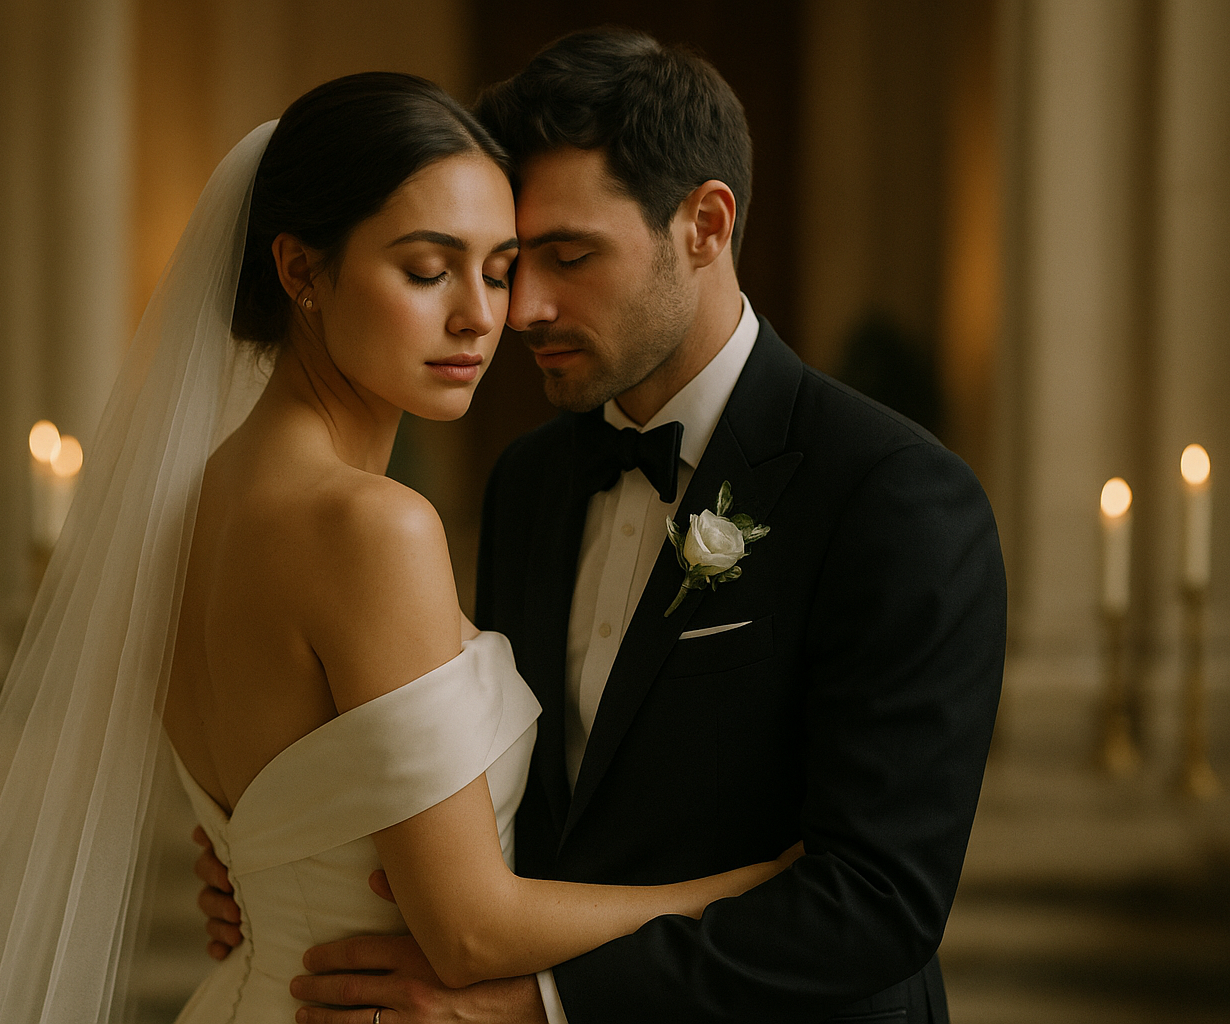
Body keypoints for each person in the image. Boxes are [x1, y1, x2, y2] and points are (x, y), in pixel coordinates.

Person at [0, 72, 796, 1024]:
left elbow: (283, 823)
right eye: (429, 270)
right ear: (302, 272)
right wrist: (753, 890)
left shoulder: (194, 506)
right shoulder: (372, 527)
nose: (483, 315)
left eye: (500, 267)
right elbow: (471, 932)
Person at [201, 29, 1007, 1024]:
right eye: (512, 263)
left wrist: (540, 1004)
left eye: (566, 256)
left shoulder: (894, 497)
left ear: (705, 225)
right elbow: (490, 809)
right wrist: (299, 857)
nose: (520, 310)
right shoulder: (528, 482)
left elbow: (877, 905)